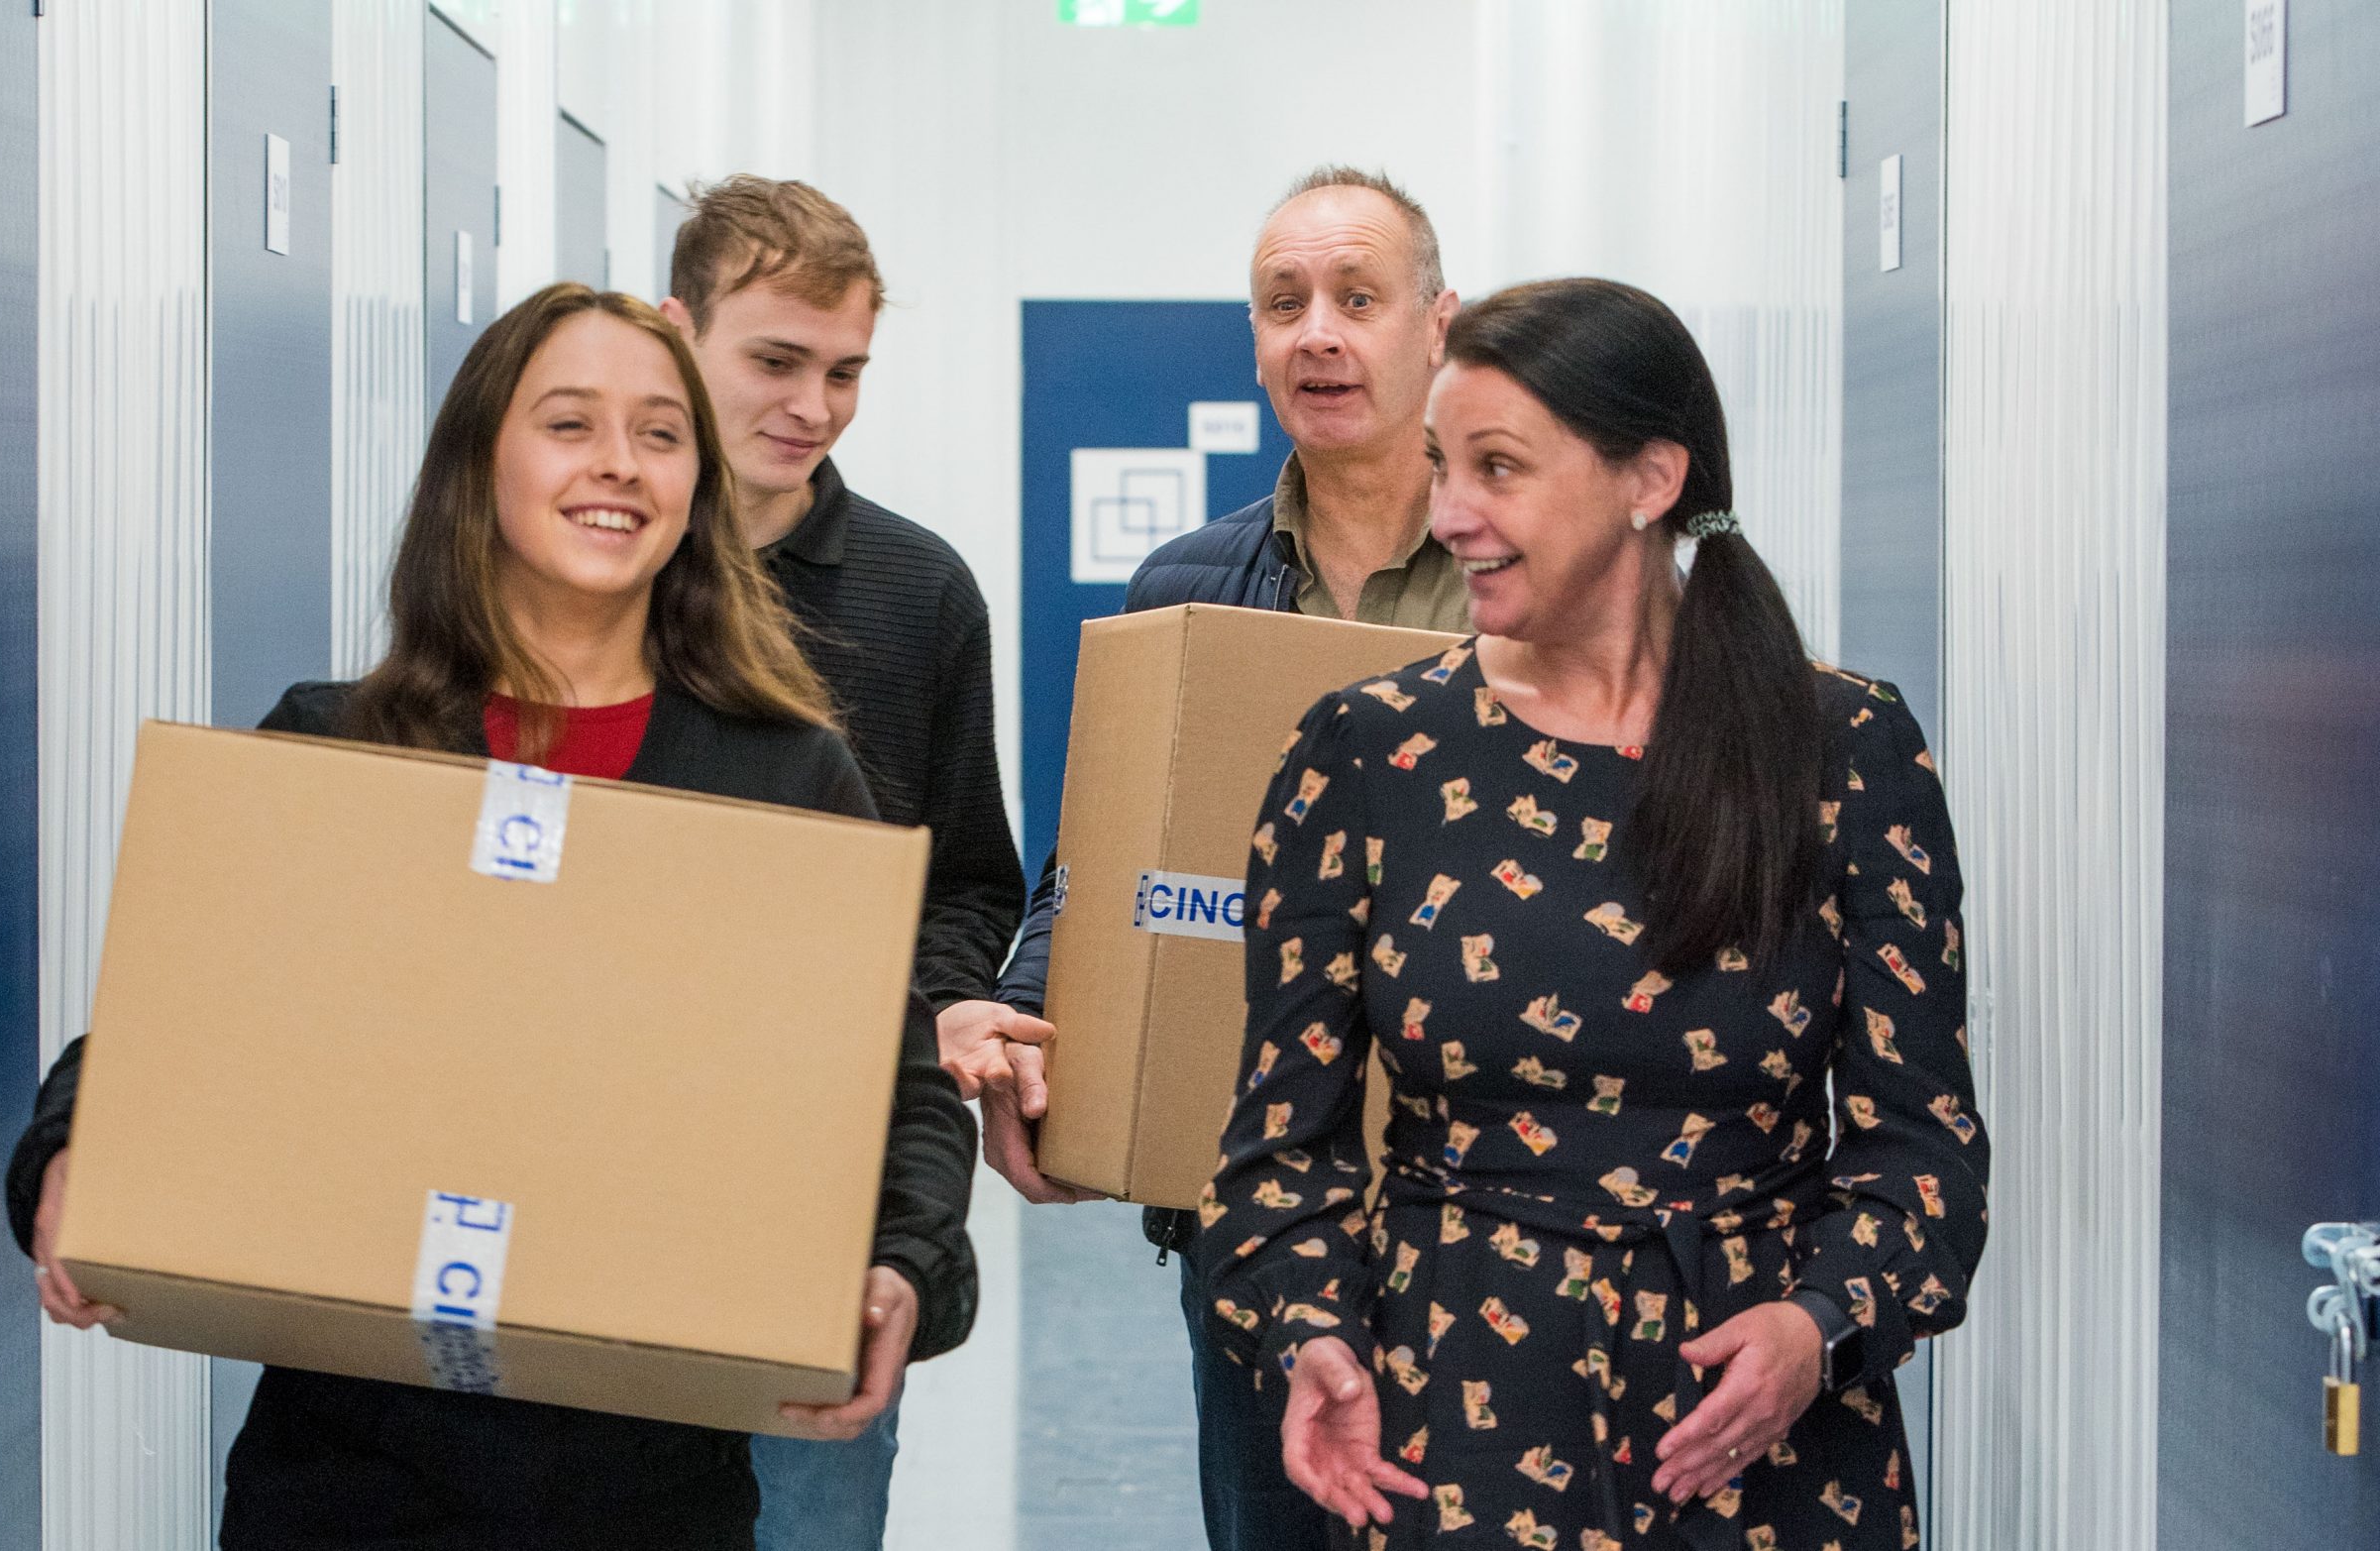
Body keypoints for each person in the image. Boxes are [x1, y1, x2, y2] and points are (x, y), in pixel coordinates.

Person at [6, 282, 978, 1551]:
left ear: (695, 484)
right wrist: (74, 1147)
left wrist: (903, 1260)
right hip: (348, 1476)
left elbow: (896, 1093)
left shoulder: (784, 779)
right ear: (482, 462)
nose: (619, 465)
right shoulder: (340, 749)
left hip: (651, 1486)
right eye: (569, 423)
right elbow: (174, 1022)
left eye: (660, 434)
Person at [1201, 277, 1989, 1548]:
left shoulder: (1840, 745)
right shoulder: (1367, 751)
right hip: (1454, 1416)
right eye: (1441, 466)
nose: (1450, 516)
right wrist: (1311, 1329)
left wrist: (1820, 1322)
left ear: (1649, 479)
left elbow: (1924, 1152)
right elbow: (1277, 1151)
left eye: (1497, 469)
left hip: (1763, 1435)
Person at [941, 166, 1471, 1551]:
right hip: (1257, 1205)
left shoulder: (1532, 573)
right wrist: (1048, 1045)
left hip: (1493, 1214)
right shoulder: (1186, 586)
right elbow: (1101, 868)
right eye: (1283, 301)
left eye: (1359, 298)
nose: (1319, 333)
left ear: (1438, 325)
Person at [657, 174, 1024, 1550]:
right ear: (674, 329)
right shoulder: (589, 560)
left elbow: (973, 873)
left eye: (846, 371)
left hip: (821, 1174)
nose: (812, 404)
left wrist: (907, 1012)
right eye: (775, 361)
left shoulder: (918, 592)